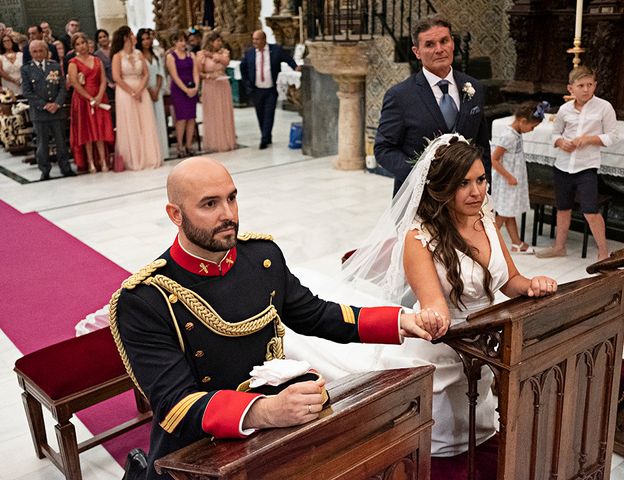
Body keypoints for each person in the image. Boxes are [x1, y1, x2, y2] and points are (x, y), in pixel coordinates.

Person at [111, 156, 441, 480]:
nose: (228, 214)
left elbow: (315, 314)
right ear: (176, 215)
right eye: (209, 204)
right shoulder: (145, 299)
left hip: (273, 438)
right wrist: (265, 411)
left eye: (232, 198)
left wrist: (400, 321)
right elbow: (176, 406)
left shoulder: (261, 257)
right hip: (197, 456)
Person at [284, 134, 558, 478]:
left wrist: (532, 285)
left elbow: (510, 280)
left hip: (486, 343)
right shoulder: (420, 237)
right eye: (464, 183)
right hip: (444, 347)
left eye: (481, 179)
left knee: (481, 421)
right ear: (442, 187)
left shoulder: (486, 220)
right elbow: (434, 305)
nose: (477, 192)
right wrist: (433, 318)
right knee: (445, 437)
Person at [374, 15, 491, 196]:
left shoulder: (473, 87)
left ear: (452, 43)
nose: (439, 49)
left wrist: (485, 190)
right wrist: (424, 176)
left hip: (468, 197)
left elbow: (482, 144)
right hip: (420, 198)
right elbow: (383, 149)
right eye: (429, 44)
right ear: (417, 52)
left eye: (444, 41)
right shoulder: (400, 96)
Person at [536, 66, 620, 261]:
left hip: (587, 167)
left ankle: (603, 253)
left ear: (595, 85)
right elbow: (555, 134)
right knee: (563, 207)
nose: (586, 89)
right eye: (581, 85)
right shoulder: (564, 109)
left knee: (590, 211)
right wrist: (560, 142)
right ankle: (559, 247)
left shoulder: (604, 107)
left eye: (590, 85)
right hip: (562, 166)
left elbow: (613, 135)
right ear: (570, 88)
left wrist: (589, 139)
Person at [491, 101, 547, 254]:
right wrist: (509, 177)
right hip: (506, 182)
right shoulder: (508, 136)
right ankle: (488, 241)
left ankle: (517, 243)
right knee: (503, 214)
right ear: (523, 121)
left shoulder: (516, 134)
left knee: (509, 212)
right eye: (532, 127)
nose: (532, 130)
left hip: (512, 182)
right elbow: (494, 160)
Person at [21, 40, 76, 180]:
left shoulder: (55, 66)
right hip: (40, 113)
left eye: (41, 51)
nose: (39, 54)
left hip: (56, 111)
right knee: (42, 143)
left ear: (46, 51)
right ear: (30, 53)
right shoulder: (26, 69)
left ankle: (65, 167)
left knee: (61, 142)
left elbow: (62, 88)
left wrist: (57, 104)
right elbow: (27, 92)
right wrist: (45, 105)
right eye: (35, 51)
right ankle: (45, 170)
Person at [111, 25, 161, 170]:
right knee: (131, 122)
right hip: (125, 92)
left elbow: (146, 74)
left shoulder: (139, 53)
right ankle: (134, 157)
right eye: (131, 34)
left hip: (141, 90)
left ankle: (149, 156)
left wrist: (140, 90)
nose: (134, 37)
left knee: (145, 122)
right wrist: (132, 92)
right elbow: (116, 77)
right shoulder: (117, 56)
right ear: (125, 37)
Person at [240, 30, 298, 149]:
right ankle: (266, 135)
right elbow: (243, 68)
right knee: (260, 114)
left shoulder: (275, 50)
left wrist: (295, 67)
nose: (254, 42)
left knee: (269, 114)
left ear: (264, 39)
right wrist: (247, 84)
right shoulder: (250, 53)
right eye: (253, 39)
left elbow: (288, 58)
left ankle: (264, 139)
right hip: (256, 89)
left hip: (270, 89)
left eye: (257, 39)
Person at [68, 32, 114, 173]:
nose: (82, 46)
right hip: (83, 100)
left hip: (99, 97)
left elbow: (103, 80)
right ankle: (90, 162)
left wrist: (99, 96)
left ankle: (103, 160)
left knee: (99, 129)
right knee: (87, 131)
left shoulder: (97, 60)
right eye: (78, 44)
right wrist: (89, 98)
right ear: (74, 47)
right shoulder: (73, 63)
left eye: (83, 43)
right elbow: (75, 83)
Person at [196, 31, 236, 152]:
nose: (220, 43)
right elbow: (199, 72)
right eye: (217, 41)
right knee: (213, 112)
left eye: (220, 41)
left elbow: (226, 62)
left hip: (223, 84)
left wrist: (213, 56)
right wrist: (209, 77)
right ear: (210, 42)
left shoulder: (223, 52)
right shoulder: (201, 55)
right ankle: (214, 141)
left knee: (224, 111)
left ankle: (226, 140)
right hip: (210, 85)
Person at [136, 28, 169, 159]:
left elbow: (160, 72)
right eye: (143, 39)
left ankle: (162, 151)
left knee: (160, 119)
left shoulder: (155, 54)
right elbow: (140, 75)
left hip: (157, 90)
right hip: (145, 91)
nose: (146, 41)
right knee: (148, 121)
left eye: (148, 38)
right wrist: (149, 90)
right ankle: (151, 152)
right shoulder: (138, 55)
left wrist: (157, 88)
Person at [166, 30, 199, 157]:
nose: (183, 43)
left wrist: (195, 87)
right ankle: (180, 145)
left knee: (191, 117)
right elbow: (174, 76)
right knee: (181, 119)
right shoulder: (171, 56)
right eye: (180, 41)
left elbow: (195, 72)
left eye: (184, 40)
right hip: (179, 90)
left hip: (191, 87)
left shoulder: (191, 55)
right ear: (174, 42)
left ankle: (189, 145)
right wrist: (186, 90)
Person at [94, 29, 115, 101]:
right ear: (98, 41)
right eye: (100, 38)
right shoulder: (97, 55)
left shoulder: (115, 50)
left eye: (104, 36)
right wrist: (110, 83)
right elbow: (100, 72)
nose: (103, 39)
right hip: (108, 86)